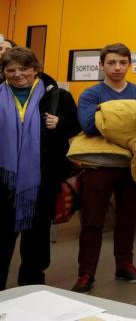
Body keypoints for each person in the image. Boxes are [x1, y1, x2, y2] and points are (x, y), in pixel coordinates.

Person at [71, 43, 136, 293]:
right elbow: (89, 125)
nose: (117, 68)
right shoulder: (91, 94)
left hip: (131, 165)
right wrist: (128, 117)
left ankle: (125, 265)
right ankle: (86, 273)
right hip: (98, 165)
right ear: (101, 65)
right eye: (112, 63)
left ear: (129, 64)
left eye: (122, 63)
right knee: (93, 221)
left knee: (128, 219)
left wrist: (106, 115)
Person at [0, 47, 79, 289]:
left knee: (36, 242)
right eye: (10, 69)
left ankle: (31, 289)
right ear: (3, 72)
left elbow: (75, 127)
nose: (17, 74)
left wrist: (61, 124)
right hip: (4, 184)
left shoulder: (57, 97)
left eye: (24, 69)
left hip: (41, 183)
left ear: (35, 69)